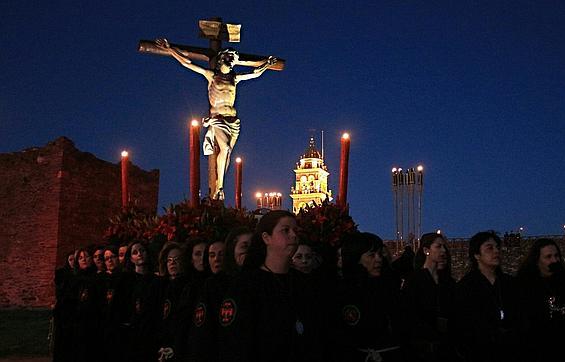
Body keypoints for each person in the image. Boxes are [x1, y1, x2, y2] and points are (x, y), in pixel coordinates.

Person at [155, 38, 276, 199]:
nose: (232, 61)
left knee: (228, 153)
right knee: (224, 149)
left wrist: (267, 64)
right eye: (229, 58)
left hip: (234, 120)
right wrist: (170, 49)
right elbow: (188, 63)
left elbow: (254, 74)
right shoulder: (212, 75)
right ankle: (219, 188)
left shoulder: (235, 78)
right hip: (218, 117)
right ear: (221, 59)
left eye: (234, 59)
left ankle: (221, 184)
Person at [218, 210, 323, 362]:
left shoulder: (304, 283)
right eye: (285, 230)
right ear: (266, 238)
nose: (293, 235)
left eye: (295, 231)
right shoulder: (245, 285)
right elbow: (235, 343)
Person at [517, 238, 565, 362]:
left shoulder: (564, 278)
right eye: (548, 257)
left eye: (556, 256)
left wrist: (564, 277)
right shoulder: (525, 285)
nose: (554, 260)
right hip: (545, 349)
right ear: (537, 260)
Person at [450, 231, 521, 362]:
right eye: (489, 248)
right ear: (477, 255)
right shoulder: (465, 287)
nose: (496, 251)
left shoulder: (510, 284)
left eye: (497, 248)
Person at [334, 232, 403, 362]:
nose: (378, 259)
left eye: (379, 254)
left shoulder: (389, 287)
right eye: (371, 255)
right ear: (357, 258)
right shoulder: (345, 293)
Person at [401, 232, 455, 361]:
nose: (443, 251)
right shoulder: (414, 280)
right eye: (438, 246)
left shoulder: (448, 282)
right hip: (421, 348)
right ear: (426, 250)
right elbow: (408, 314)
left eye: (444, 247)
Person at [155, 242, 188, 361]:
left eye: (176, 259)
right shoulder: (161, 287)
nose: (172, 263)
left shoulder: (188, 287)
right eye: (169, 260)